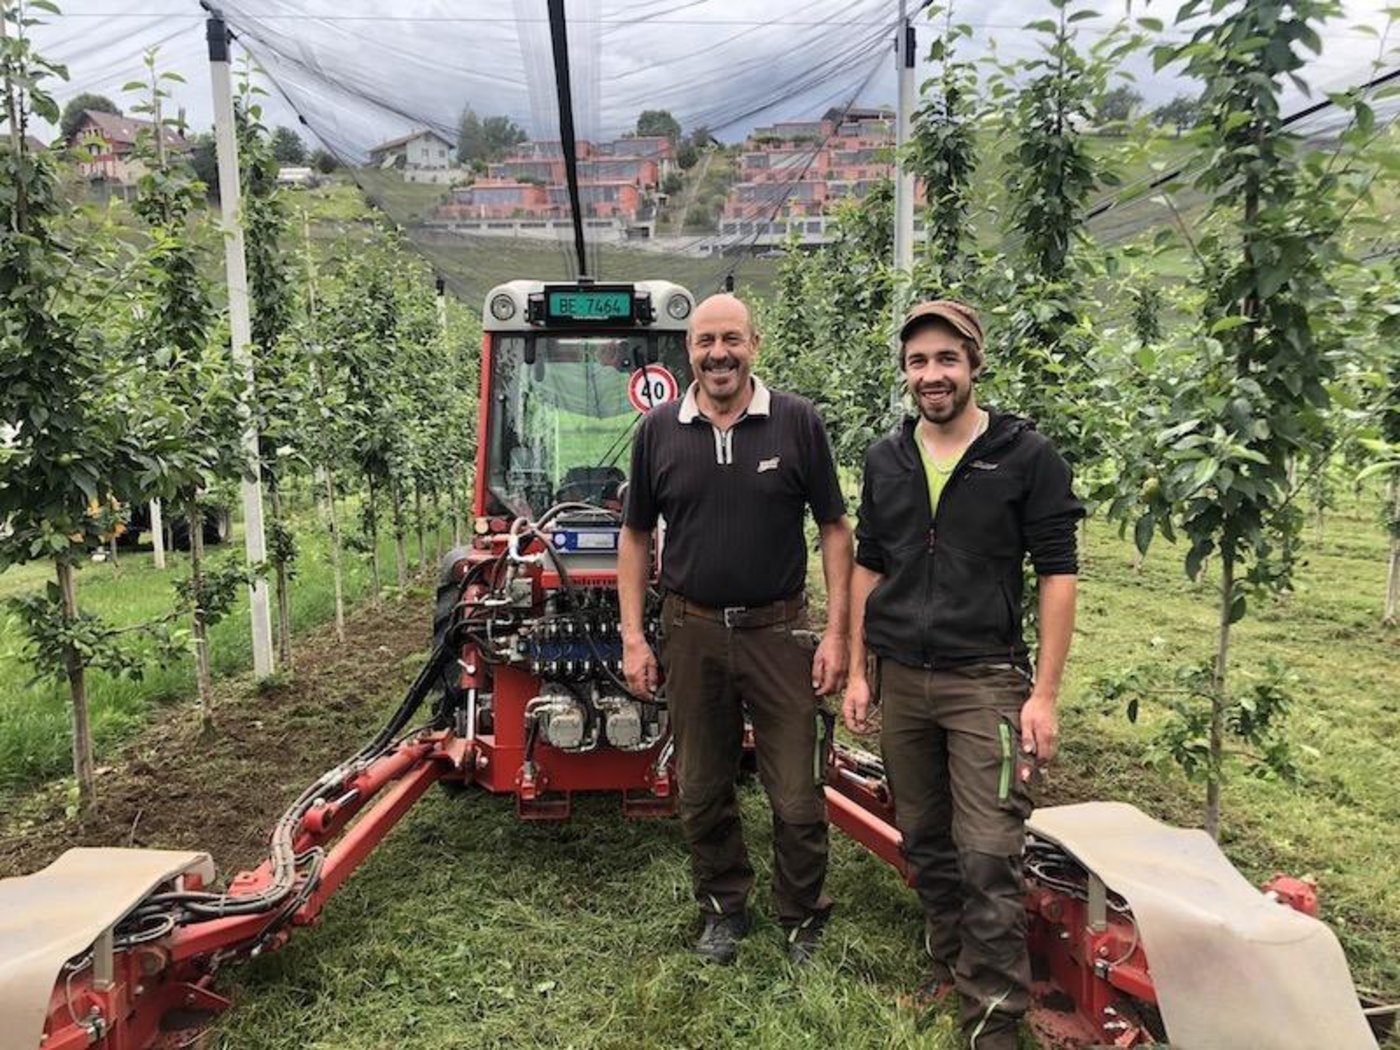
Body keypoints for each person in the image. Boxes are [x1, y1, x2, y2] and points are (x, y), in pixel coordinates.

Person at [842, 300, 1082, 1049]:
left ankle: (996, 1016)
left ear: (974, 364)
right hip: (903, 680)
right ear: (905, 373)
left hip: (986, 679)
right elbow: (869, 564)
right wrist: (857, 669)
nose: (932, 375)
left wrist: (1044, 693)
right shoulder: (887, 459)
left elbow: (1058, 573)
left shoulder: (1024, 456)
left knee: (988, 848)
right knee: (924, 837)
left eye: (946, 359)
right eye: (918, 362)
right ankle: (950, 963)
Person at [618, 293, 853, 965]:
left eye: (731, 339)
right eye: (704, 342)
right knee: (701, 785)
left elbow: (836, 530)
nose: (717, 354)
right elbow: (635, 537)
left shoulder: (798, 423)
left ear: (755, 342)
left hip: (780, 633)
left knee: (799, 790)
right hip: (690, 633)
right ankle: (723, 908)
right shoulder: (659, 430)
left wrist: (837, 634)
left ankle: (802, 913)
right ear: (687, 351)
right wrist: (635, 637)